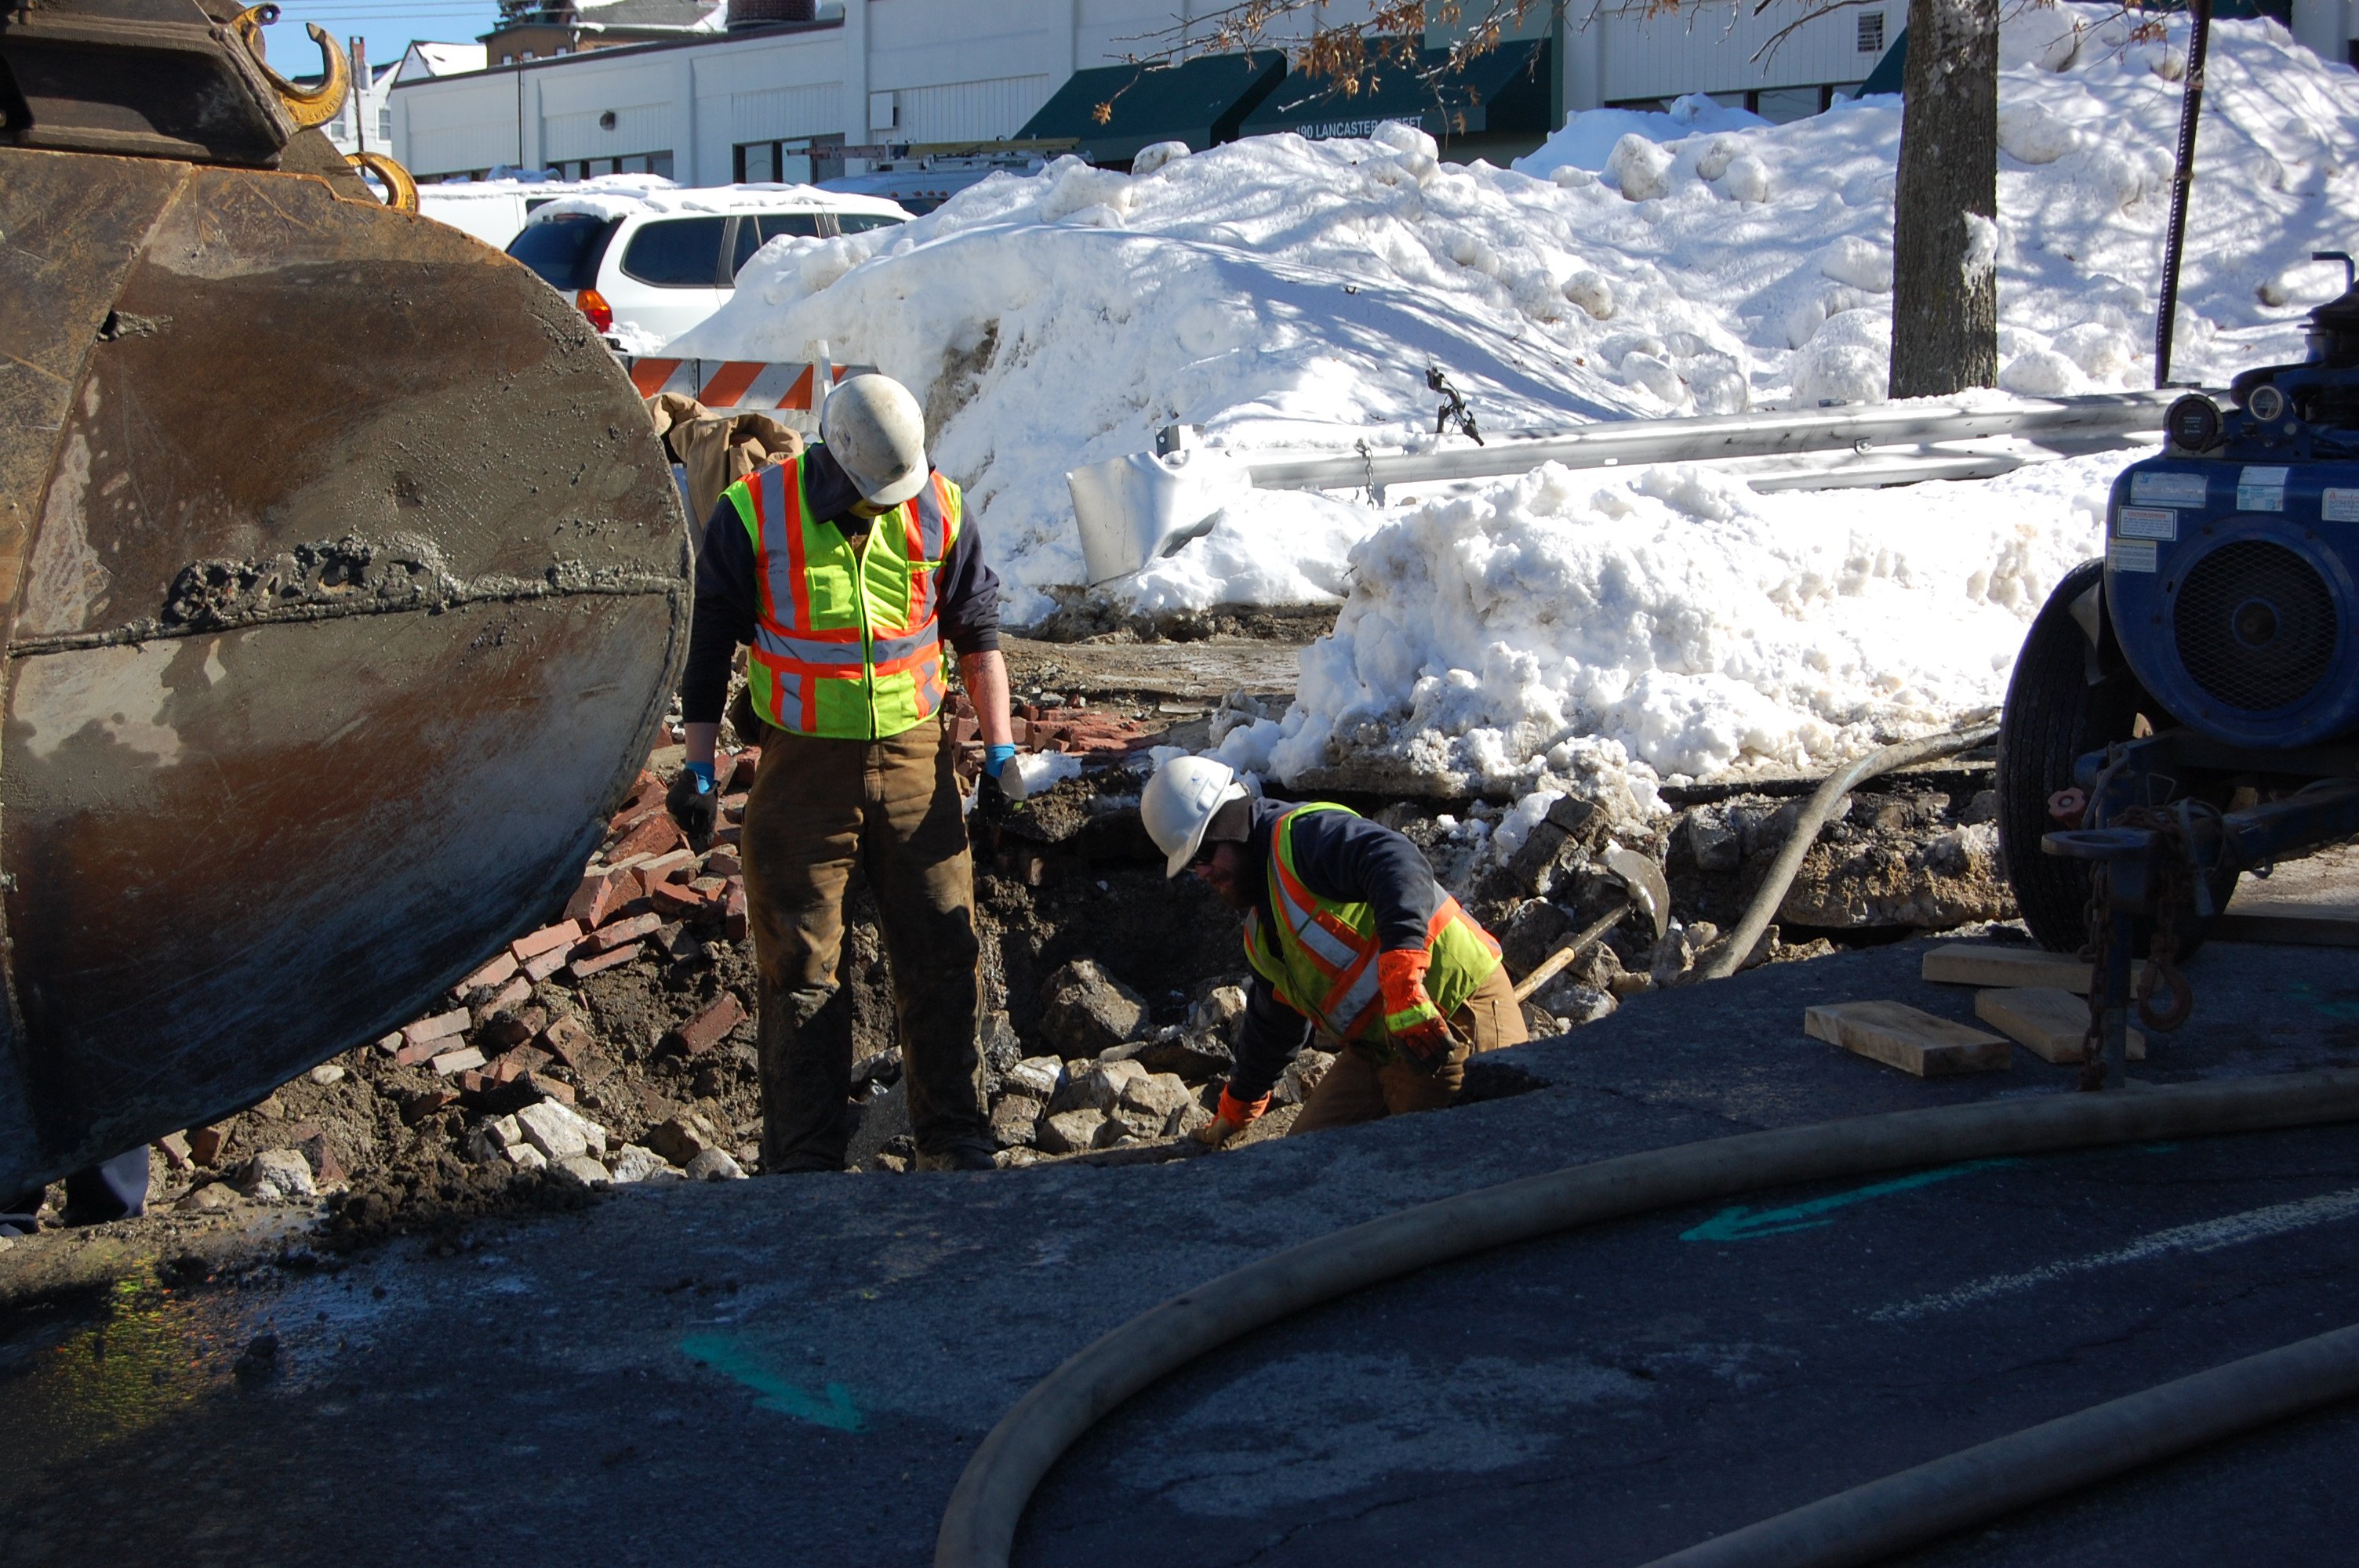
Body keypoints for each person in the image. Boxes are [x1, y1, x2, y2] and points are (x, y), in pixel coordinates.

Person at [667, 374, 1012, 1173]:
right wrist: (696, 766)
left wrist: (999, 753)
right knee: (800, 966)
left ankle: (954, 1140)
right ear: (841, 456)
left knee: (941, 948)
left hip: (915, 762)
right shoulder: (755, 512)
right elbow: (709, 638)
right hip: (802, 772)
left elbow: (977, 630)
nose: (892, 502)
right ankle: (805, 1163)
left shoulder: (939, 504)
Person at [1139, 756, 1528, 1146]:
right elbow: (1273, 1025)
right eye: (1192, 865)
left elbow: (1396, 861)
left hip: (1454, 1011)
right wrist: (1237, 1106)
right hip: (1382, 1048)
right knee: (1306, 1160)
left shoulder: (1303, 837)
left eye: (1204, 854)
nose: (1203, 873)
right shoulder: (1263, 930)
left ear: (1232, 826)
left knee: (1438, 1159)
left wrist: (1403, 975)